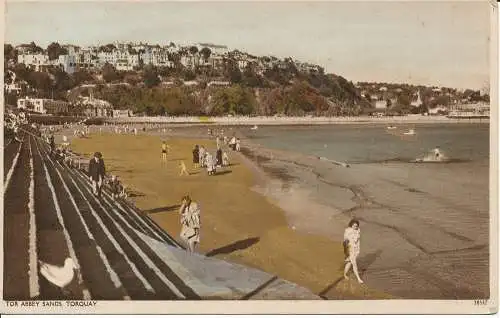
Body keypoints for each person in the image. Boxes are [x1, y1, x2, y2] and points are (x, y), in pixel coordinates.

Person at [343, 219, 364, 284]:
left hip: (356, 249)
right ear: (351, 225)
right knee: (354, 264)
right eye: (354, 226)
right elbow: (345, 242)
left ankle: (344, 274)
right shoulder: (347, 231)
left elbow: (358, 241)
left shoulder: (358, 230)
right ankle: (358, 279)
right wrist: (346, 252)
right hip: (350, 249)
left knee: (349, 263)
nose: (355, 227)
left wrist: (357, 249)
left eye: (356, 226)